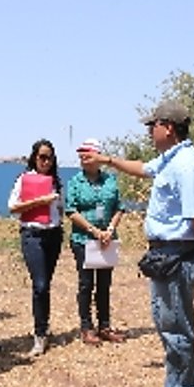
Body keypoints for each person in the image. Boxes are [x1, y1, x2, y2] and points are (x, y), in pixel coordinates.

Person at [83, 101, 194, 387]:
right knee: (176, 321)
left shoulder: (186, 165)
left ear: (168, 127)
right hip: (169, 254)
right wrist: (107, 159)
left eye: (151, 125)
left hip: (177, 255)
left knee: (173, 326)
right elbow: (143, 169)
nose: (148, 131)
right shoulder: (171, 158)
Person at [65, 138, 126, 346]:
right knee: (86, 284)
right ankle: (86, 327)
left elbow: (119, 207)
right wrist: (93, 230)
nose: (83, 158)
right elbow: (71, 210)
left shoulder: (110, 180)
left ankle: (105, 326)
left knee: (104, 284)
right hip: (83, 240)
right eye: (80, 154)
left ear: (98, 157)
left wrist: (109, 230)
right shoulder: (75, 181)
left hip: (106, 241)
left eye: (87, 154)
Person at [8, 139, 64, 356]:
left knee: (46, 284)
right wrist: (40, 201)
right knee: (39, 285)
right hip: (32, 235)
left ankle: (44, 324)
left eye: (49, 157)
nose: (45, 161)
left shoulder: (56, 181)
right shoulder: (23, 179)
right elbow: (13, 207)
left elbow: (61, 208)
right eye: (41, 156)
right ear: (34, 157)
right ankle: (39, 335)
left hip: (53, 235)